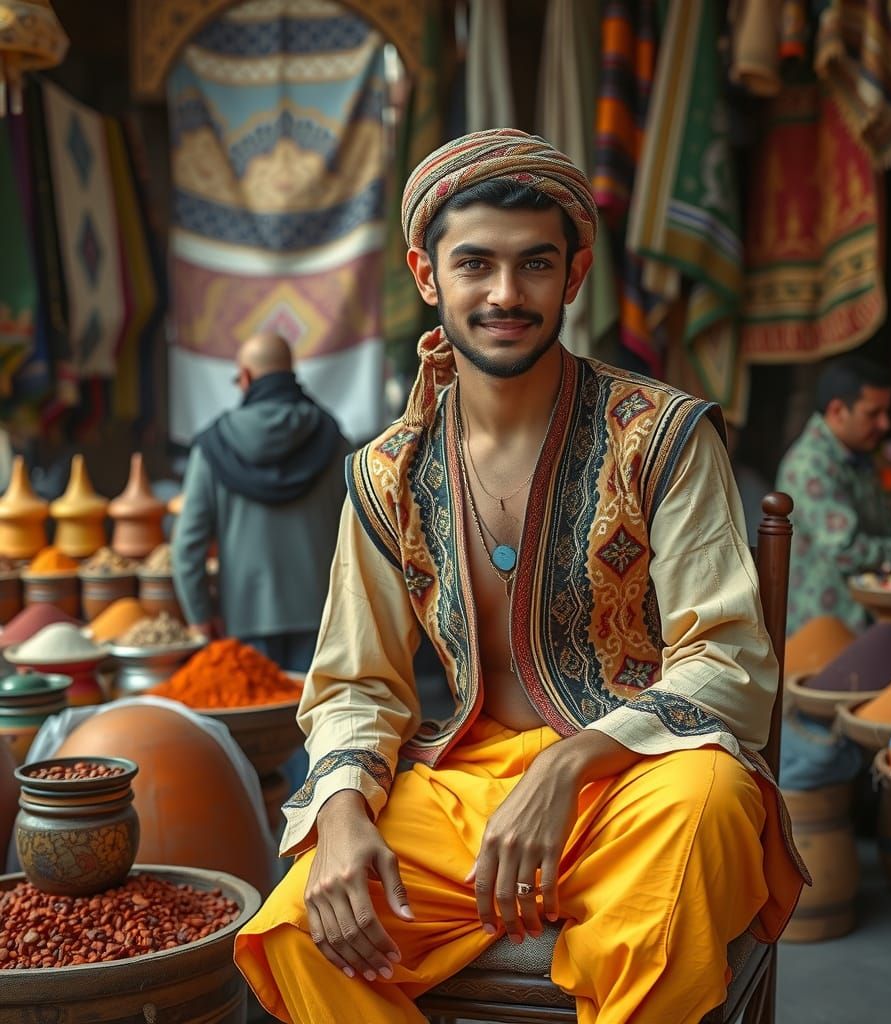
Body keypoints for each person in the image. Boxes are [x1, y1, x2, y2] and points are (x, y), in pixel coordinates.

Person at [234, 129, 808, 1024]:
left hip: (639, 781)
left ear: (574, 276)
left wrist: (572, 766)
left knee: (708, 809)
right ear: (428, 275)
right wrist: (342, 811)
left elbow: (728, 659)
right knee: (302, 925)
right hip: (465, 790)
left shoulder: (660, 437)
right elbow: (354, 684)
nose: (506, 294)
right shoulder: (386, 473)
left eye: (535, 265)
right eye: (476, 265)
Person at [171, 331, 350, 674]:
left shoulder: (212, 446)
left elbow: (187, 547)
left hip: (243, 622)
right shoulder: (333, 438)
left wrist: (200, 616)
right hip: (325, 619)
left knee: (259, 724)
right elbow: (361, 532)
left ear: (247, 376)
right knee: (319, 724)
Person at [777, 356, 891, 634]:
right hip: (825, 630)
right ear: (837, 411)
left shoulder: (856, 455)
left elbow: (886, 527)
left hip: (863, 620)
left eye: (886, 412)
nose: (885, 424)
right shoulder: (811, 466)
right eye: (873, 413)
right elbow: (845, 551)